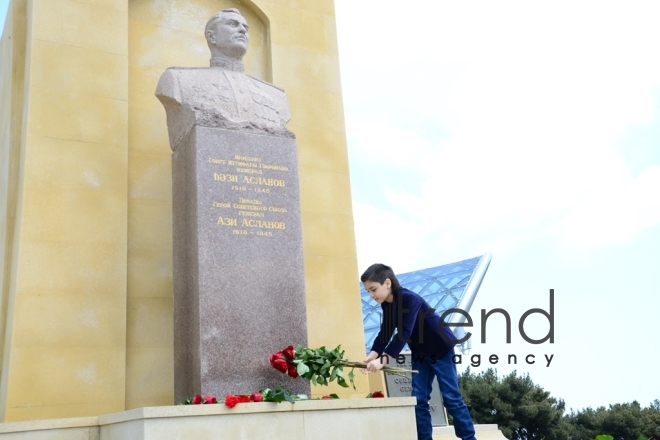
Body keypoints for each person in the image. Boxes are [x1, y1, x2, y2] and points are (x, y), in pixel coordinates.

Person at [361, 263, 477, 440]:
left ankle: (469, 438)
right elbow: (385, 332)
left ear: (387, 283)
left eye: (373, 289)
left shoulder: (409, 298)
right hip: (420, 352)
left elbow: (404, 334)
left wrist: (382, 361)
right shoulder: (387, 304)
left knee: (451, 398)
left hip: (440, 348)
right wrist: (372, 356)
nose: (371, 295)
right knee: (419, 399)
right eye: (368, 291)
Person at [156, 8, 293, 150]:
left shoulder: (276, 96)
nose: (242, 30)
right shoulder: (178, 80)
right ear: (211, 36)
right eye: (233, 24)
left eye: (245, 27)